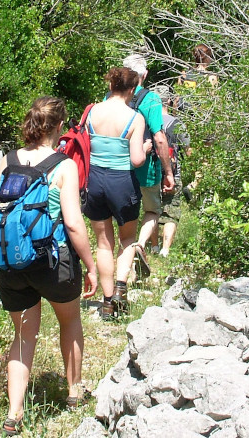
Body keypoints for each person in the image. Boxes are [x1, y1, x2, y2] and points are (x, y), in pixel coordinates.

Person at [0, 97, 98, 436]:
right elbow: (75, 225)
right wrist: (91, 266)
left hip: (12, 264)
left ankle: (14, 412)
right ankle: (75, 392)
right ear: (60, 127)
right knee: (70, 320)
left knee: (23, 334)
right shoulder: (63, 165)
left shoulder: (7, 161)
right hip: (54, 261)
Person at [81, 67, 147, 319]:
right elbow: (137, 159)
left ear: (111, 86)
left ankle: (107, 303)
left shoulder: (92, 111)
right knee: (127, 239)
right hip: (122, 182)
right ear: (132, 89)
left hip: (95, 180)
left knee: (103, 243)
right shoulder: (134, 117)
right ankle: (121, 287)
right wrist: (146, 147)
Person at [123, 54, 175, 270]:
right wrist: (168, 172)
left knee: (125, 212)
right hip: (147, 168)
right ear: (144, 75)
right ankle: (140, 244)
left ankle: (126, 247)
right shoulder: (151, 99)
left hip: (119, 167)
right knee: (152, 211)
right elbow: (160, 138)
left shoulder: (111, 97)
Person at [142, 85, 190, 257]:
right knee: (172, 212)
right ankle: (166, 249)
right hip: (173, 173)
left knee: (151, 210)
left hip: (152, 172)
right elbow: (188, 150)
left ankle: (154, 246)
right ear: (169, 101)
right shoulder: (177, 123)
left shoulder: (147, 121)